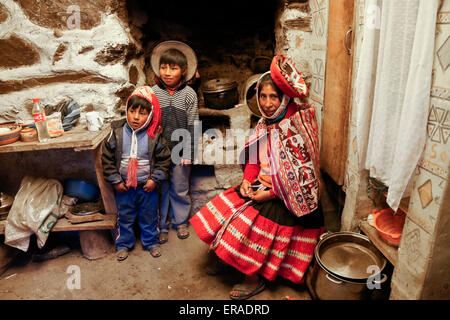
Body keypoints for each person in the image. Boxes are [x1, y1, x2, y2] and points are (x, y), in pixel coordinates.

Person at [189, 54, 324, 300]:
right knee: (225, 209)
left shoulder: (295, 126)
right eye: (263, 96)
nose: (269, 103)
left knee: (246, 227)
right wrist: (247, 180)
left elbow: (301, 176)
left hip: (288, 199)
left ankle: (253, 277)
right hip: (261, 186)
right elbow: (253, 158)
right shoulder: (265, 122)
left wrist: (270, 193)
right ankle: (229, 259)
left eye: (274, 97)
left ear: (285, 98)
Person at [102, 86, 171, 261]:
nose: (136, 117)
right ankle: (124, 244)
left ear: (150, 116)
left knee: (150, 216)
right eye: (132, 111)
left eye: (142, 113)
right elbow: (107, 159)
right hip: (124, 187)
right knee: (125, 216)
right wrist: (116, 181)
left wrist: (154, 180)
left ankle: (151, 242)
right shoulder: (117, 134)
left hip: (147, 187)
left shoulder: (154, 136)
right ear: (127, 110)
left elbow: (164, 161)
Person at [151, 41, 199, 243]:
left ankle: (180, 222)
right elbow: (150, 122)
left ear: (184, 71)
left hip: (180, 149)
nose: (167, 72)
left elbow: (193, 124)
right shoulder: (153, 92)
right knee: (160, 187)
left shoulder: (189, 94)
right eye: (164, 67)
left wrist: (188, 152)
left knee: (179, 187)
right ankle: (162, 225)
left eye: (173, 68)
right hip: (159, 151)